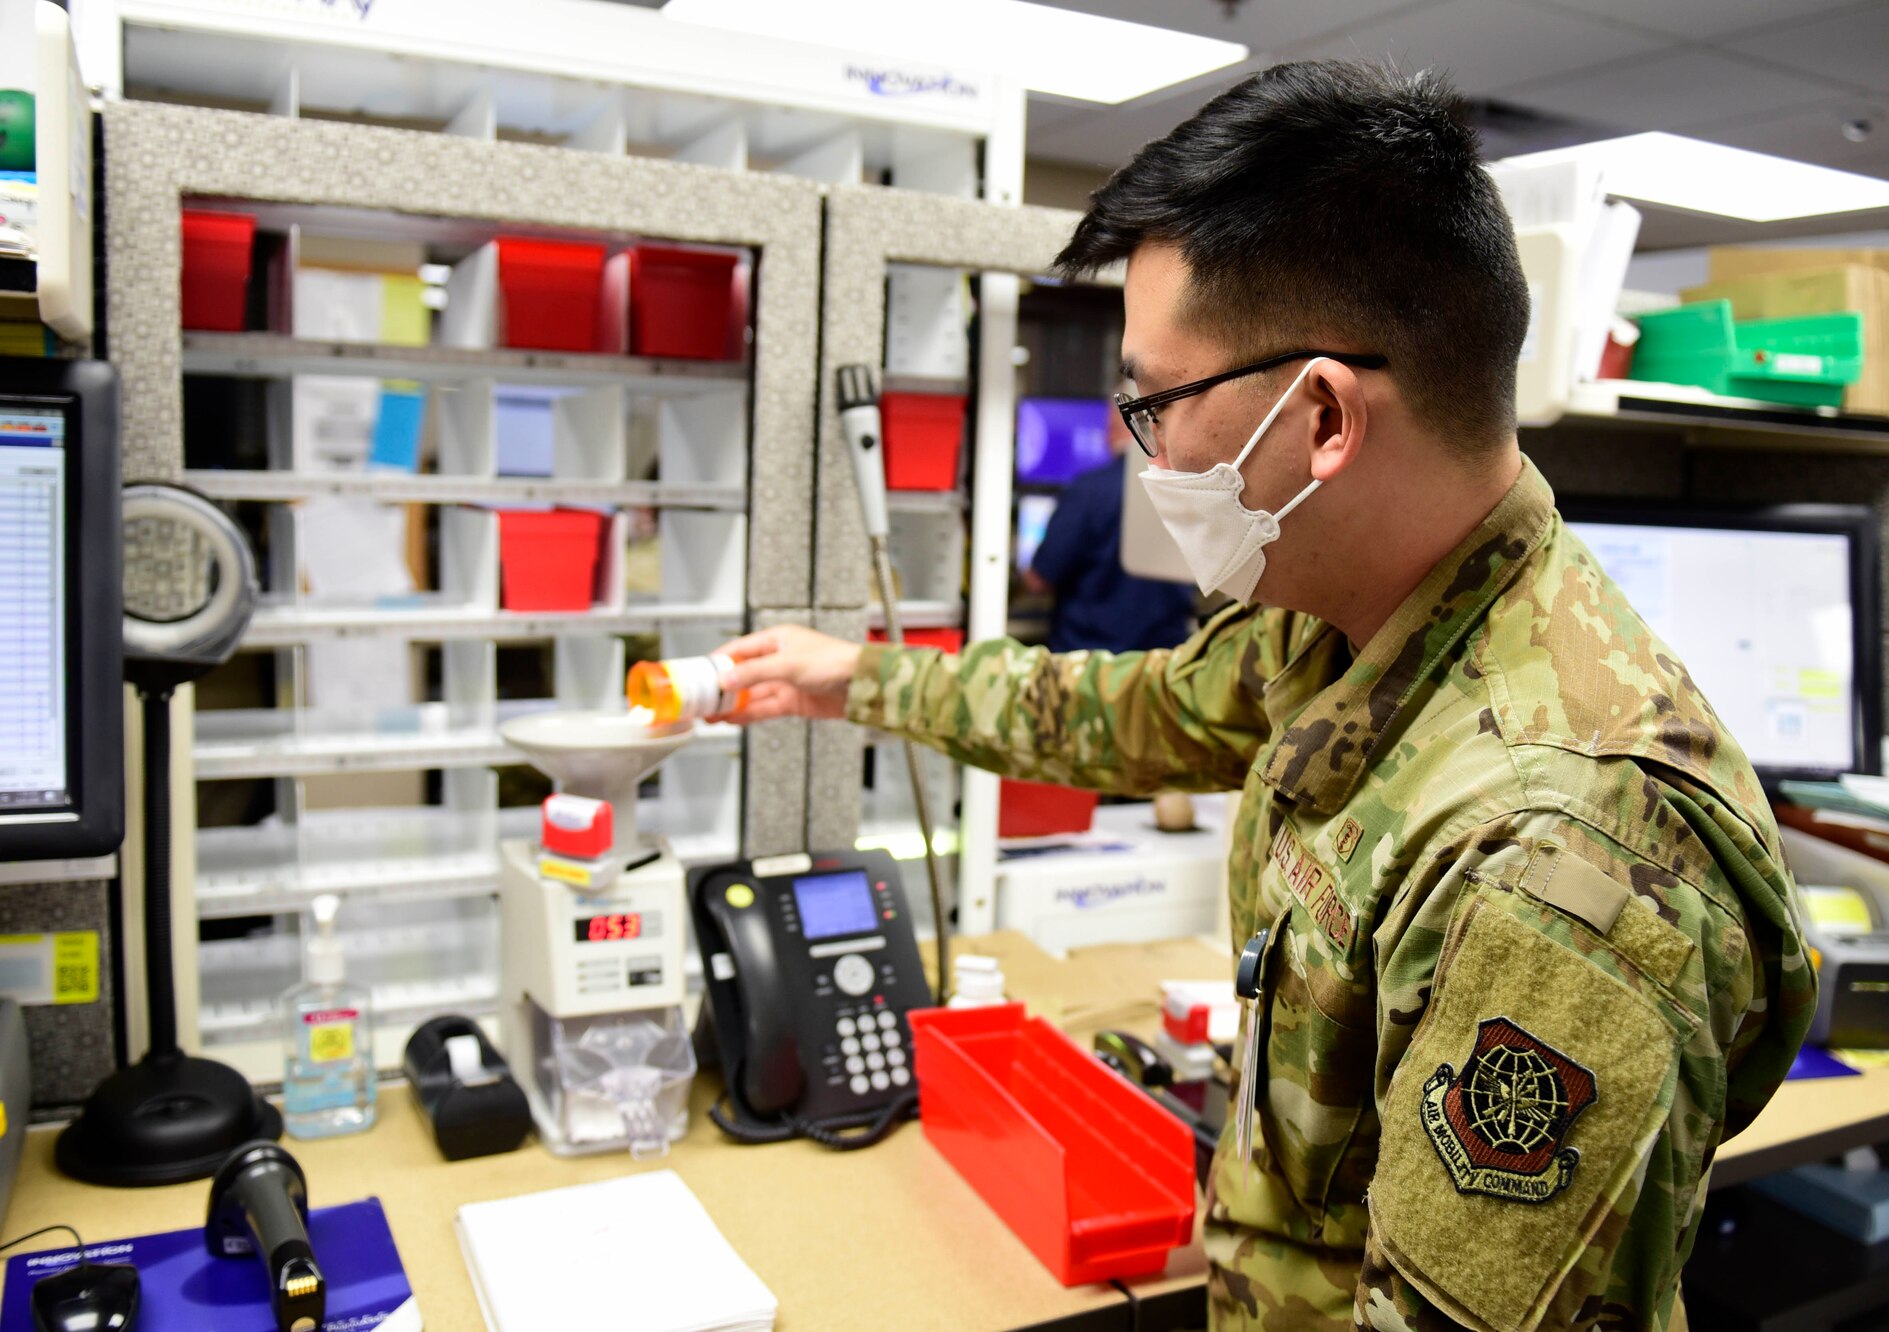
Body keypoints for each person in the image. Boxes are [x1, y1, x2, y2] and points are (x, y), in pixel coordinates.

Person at [718, 60, 1814, 1332]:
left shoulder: (1554, 866)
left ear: (1321, 419)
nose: (1144, 449)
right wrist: (854, 677)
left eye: (1154, 404)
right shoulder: (1349, 616)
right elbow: (1134, 713)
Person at [1024, 401, 1195, 653]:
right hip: (1160, 666)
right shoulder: (1186, 491)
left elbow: (1039, 580)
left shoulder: (1089, 490)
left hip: (1090, 667)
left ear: (1116, 427)